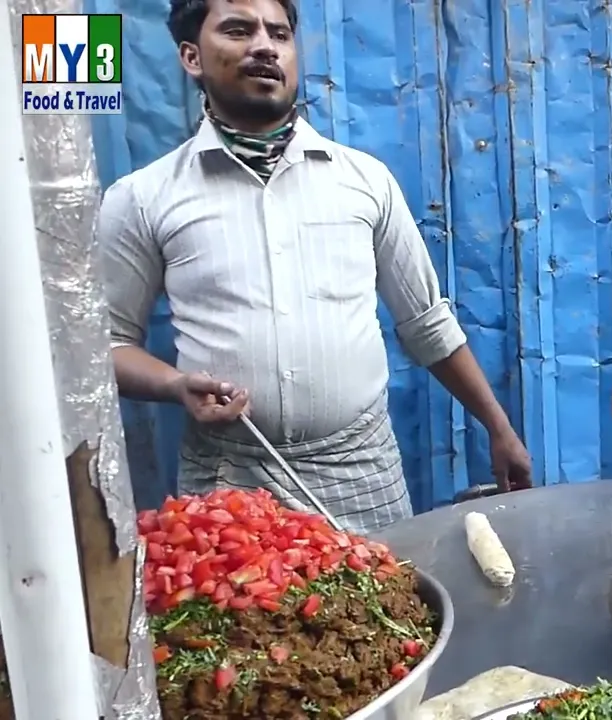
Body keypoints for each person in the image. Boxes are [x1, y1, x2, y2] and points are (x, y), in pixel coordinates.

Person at [98, 0, 531, 533]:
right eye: (238, 30)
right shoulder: (145, 197)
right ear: (192, 57)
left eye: (279, 34)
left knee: (382, 614)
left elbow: (427, 324)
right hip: (227, 483)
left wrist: (498, 428)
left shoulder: (363, 181)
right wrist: (174, 384)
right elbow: (107, 345)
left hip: (361, 474)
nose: (264, 45)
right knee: (243, 616)